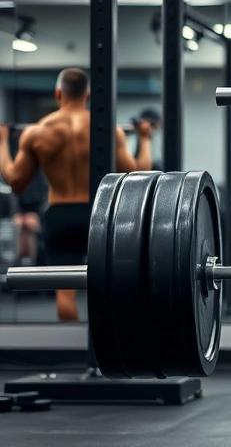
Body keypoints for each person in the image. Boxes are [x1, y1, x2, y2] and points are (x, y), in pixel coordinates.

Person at [0, 68, 153, 321]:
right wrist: (145, 138)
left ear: (58, 93)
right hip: (99, 215)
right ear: (88, 95)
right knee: (106, 287)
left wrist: (3, 142)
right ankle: (104, 348)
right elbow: (137, 173)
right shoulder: (107, 130)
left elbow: (15, 182)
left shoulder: (37, 132)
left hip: (59, 214)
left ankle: (75, 350)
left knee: (65, 293)